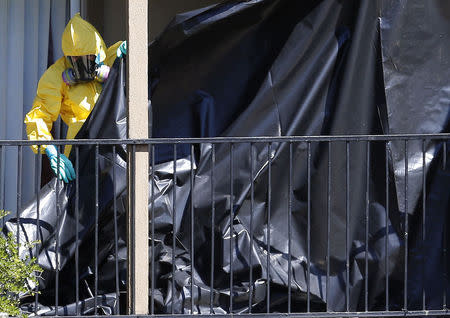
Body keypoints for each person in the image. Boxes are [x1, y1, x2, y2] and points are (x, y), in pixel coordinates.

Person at [24, 13, 126, 183]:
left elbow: (146, 70)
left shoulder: (112, 58)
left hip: (117, 143)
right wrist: (50, 149)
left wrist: (129, 57)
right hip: (80, 149)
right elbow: (39, 115)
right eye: (75, 58)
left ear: (98, 51)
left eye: (89, 57)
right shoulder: (56, 75)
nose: (82, 63)